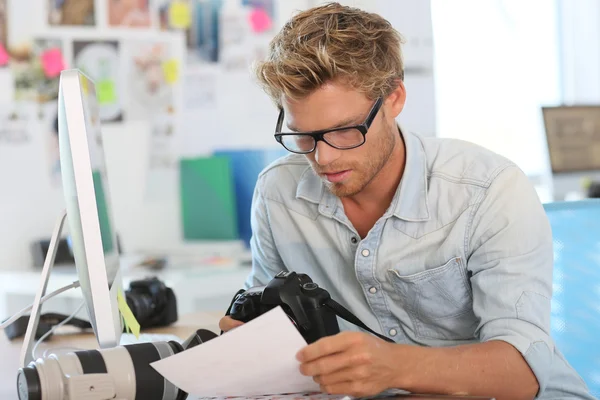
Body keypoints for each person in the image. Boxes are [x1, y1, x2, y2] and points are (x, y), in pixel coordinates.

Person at [219, 3, 594, 400]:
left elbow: (523, 371)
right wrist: (252, 344)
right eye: (303, 136)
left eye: (345, 131)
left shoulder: (488, 190)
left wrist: (393, 366)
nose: (322, 158)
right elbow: (271, 325)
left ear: (394, 98)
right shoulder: (278, 194)